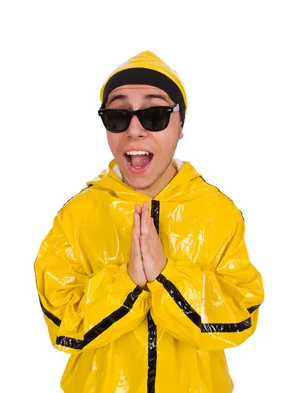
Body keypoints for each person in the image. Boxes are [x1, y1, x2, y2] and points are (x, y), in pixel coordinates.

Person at [34, 51, 263, 392]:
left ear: (181, 126)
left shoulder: (219, 213)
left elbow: (239, 316)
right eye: (117, 116)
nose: (135, 131)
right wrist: (126, 283)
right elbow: (64, 328)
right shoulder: (77, 216)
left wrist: (166, 277)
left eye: (154, 115)